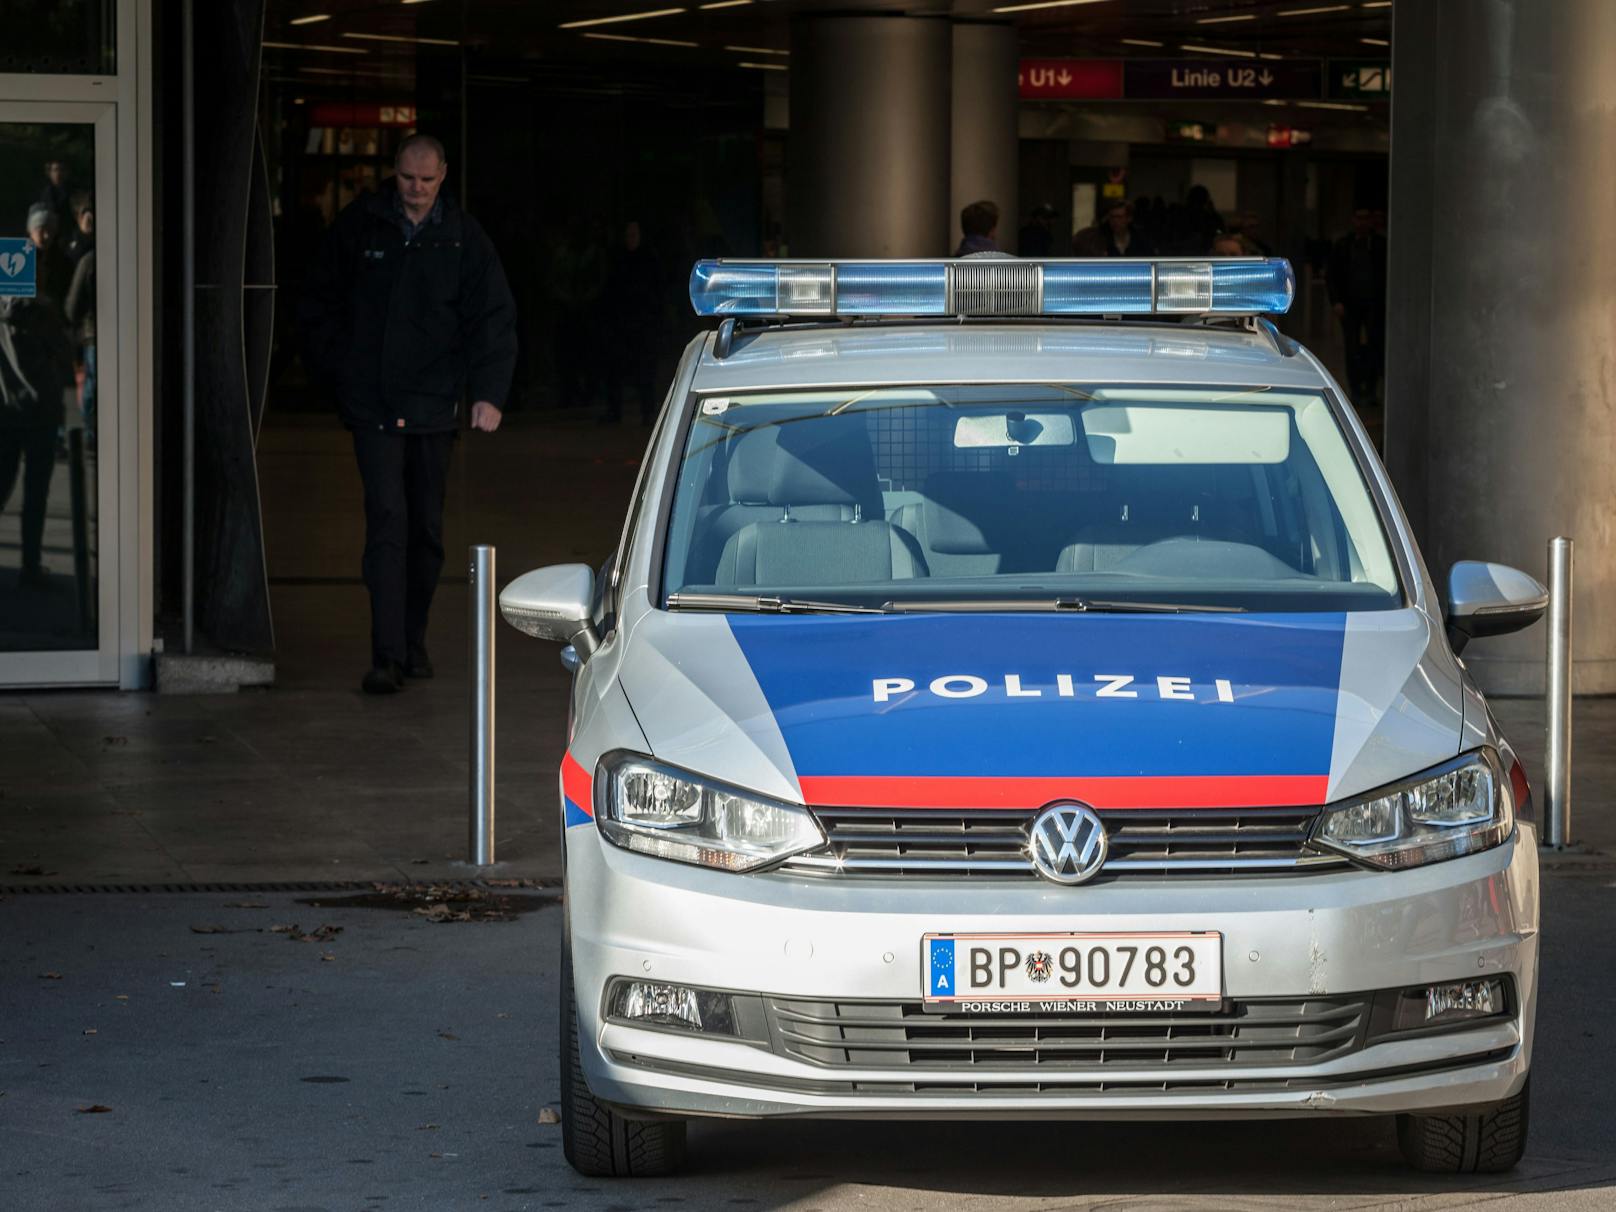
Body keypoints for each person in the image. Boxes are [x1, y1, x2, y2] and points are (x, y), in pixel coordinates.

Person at [298, 133, 518, 695]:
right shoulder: (360, 225)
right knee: (387, 526)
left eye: (426, 179)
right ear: (392, 173)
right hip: (372, 404)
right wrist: (339, 373)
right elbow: (318, 300)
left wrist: (488, 392)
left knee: (425, 532)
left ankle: (414, 642)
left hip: (434, 407)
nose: (415, 190)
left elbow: (491, 316)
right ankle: (387, 655)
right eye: (406, 178)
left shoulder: (464, 238)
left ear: (443, 175)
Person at [0, 285, 74, 589]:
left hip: (5, 411)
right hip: (41, 413)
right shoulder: (43, 311)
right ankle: (30, 566)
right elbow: (63, 352)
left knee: (1, 485)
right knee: (35, 495)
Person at [603, 220, 662, 426]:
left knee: (645, 370)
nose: (631, 238)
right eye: (628, 234)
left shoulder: (649, 259)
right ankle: (614, 411)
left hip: (643, 324)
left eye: (634, 234)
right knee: (615, 369)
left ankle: (648, 412)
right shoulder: (618, 259)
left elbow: (656, 292)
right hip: (621, 323)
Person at [1327, 207, 1388, 406]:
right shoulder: (1344, 245)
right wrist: (1336, 301)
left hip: (1374, 304)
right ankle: (1355, 390)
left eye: (1366, 218)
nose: (1362, 223)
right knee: (1352, 347)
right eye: (1359, 218)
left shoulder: (1380, 245)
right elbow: (1332, 275)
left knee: (1374, 347)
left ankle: (1370, 390)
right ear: (1353, 220)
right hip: (1350, 305)